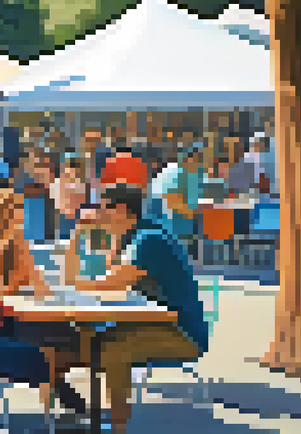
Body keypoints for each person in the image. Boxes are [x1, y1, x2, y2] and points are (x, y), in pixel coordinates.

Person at [65, 185, 207, 433]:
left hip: (182, 333)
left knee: (113, 347)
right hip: (157, 325)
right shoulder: (135, 234)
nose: (96, 213)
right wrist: (85, 232)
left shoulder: (148, 238)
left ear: (120, 210)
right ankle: (90, 411)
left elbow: (111, 283)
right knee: (91, 338)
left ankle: (118, 425)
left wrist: (70, 286)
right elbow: (110, 272)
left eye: (102, 207)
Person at [0, 188, 88, 416]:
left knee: (59, 333)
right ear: (4, 221)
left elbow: (16, 293)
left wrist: (23, 261)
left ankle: (63, 397)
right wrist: (23, 257)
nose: (21, 224)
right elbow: (8, 303)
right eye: (17, 219)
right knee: (62, 341)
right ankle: (65, 399)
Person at [151, 146, 204, 258]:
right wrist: (198, 213)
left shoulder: (195, 174)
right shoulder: (173, 172)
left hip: (184, 225)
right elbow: (172, 202)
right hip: (164, 223)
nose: (197, 162)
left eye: (199, 159)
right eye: (193, 158)